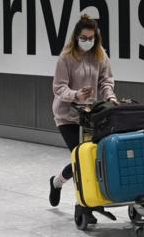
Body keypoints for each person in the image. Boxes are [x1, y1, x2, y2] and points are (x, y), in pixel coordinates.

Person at [49, 14, 117, 207]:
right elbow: (59, 88)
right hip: (67, 116)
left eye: (91, 38)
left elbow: (106, 81)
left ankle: (56, 182)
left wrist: (110, 96)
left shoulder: (100, 54)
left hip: (89, 115)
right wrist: (76, 95)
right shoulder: (66, 57)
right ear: (76, 37)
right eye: (84, 38)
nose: (87, 41)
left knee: (93, 156)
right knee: (80, 158)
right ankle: (83, 203)